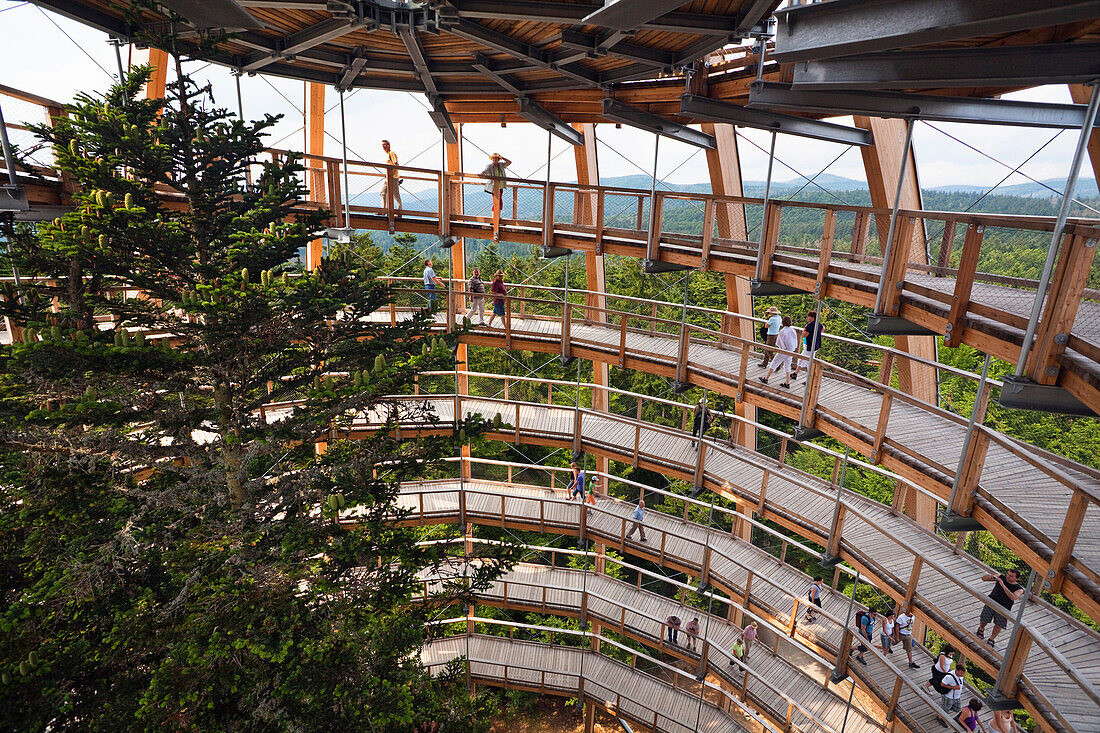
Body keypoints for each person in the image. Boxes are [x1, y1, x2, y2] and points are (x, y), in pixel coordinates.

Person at [976, 568, 1024, 649]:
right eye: (1007, 574)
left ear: (1017, 579)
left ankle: (991, 638)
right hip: (992, 601)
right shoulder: (1001, 577)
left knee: (999, 625)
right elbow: (984, 578)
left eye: (1011, 576)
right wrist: (992, 577)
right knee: (984, 618)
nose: (1008, 577)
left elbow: (1013, 597)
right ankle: (981, 628)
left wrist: (1003, 585)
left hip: (1004, 607)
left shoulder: (1019, 588)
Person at [759, 316, 799, 389]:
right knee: (788, 365)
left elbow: (780, 342)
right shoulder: (792, 330)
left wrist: (781, 348)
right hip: (791, 350)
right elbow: (795, 341)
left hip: (784, 350)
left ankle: (766, 378)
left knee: (774, 363)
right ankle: (787, 382)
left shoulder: (782, 331)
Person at [793, 310, 824, 381]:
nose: (807, 318)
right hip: (815, 346)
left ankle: (809, 379)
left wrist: (804, 328)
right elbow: (823, 328)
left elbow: (804, 334)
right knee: (804, 359)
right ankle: (796, 373)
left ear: (812, 317)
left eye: (808, 317)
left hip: (809, 346)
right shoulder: (818, 324)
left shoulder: (810, 325)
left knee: (809, 362)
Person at [935, 658, 966, 728]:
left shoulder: (961, 676)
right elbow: (942, 684)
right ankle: (940, 717)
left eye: (963, 674)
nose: (962, 675)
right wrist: (954, 688)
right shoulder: (949, 676)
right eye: (961, 674)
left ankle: (942, 709)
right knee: (945, 709)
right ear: (956, 670)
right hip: (949, 696)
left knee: (957, 709)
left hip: (957, 696)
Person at [481, 153, 512, 220]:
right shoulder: (489, 166)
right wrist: (482, 173)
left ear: (498, 159)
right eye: (494, 158)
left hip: (500, 185)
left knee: (499, 201)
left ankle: (496, 217)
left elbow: (509, 162)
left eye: (496, 158)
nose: (495, 159)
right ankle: (495, 217)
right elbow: (485, 171)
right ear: (492, 159)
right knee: (497, 201)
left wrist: (502, 157)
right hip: (493, 186)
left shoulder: (501, 165)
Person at [380, 139, 402, 212]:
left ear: (388, 146)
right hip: (388, 178)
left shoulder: (391, 153)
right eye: (382, 145)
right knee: (383, 193)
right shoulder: (387, 154)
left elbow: (396, 164)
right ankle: (383, 210)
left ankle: (399, 211)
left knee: (395, 195)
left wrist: (391, 173)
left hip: (393, 177)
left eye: (385, 145)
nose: (383, 146)